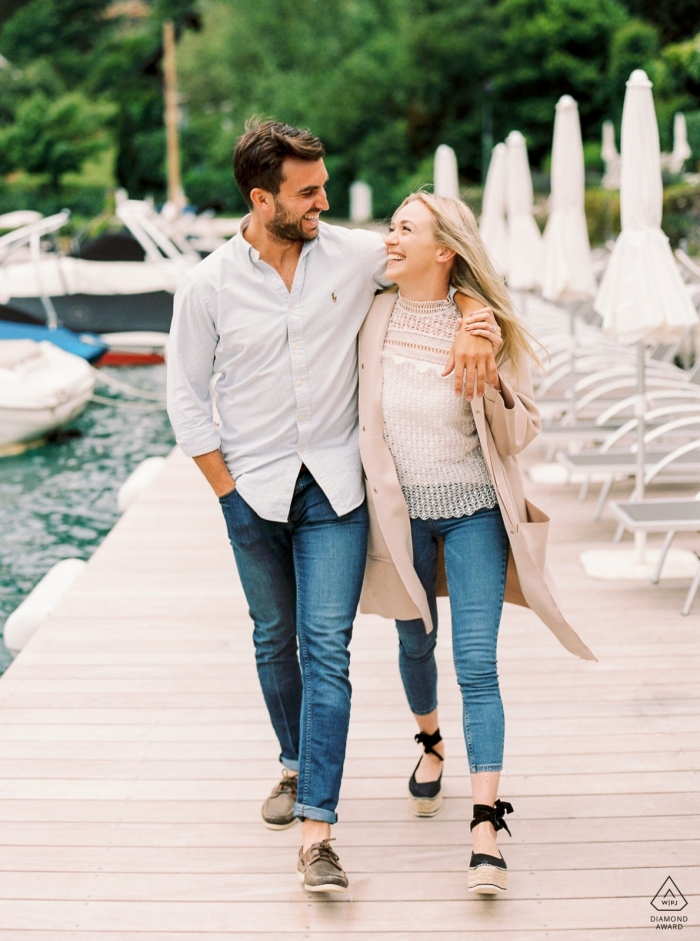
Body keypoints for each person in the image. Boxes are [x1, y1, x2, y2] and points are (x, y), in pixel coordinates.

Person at [166, 120, 497, 893]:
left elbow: (445, 261)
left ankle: (318, 828)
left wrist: (478, 317)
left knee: (327, 649)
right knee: (272, 637)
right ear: (262, 197)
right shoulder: (208, 285)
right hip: (250, 487)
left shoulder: (348, 254)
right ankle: (292, 758)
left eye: (322, 187)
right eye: (307, 191)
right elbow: (185, 394)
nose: (323, 201)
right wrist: (227, 494)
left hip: (338, 491)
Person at [357, 191, 595, 895]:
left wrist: (486, 371)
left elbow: (521, 435)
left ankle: (486, 824)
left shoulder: (482, 328)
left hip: (474, 516)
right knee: (411, 643)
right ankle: (429, 741)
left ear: (445, 250)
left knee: (477, 665)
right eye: (390, 224)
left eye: (406, 228)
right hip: (400, 519)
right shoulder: (369, 312)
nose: (390, 237)